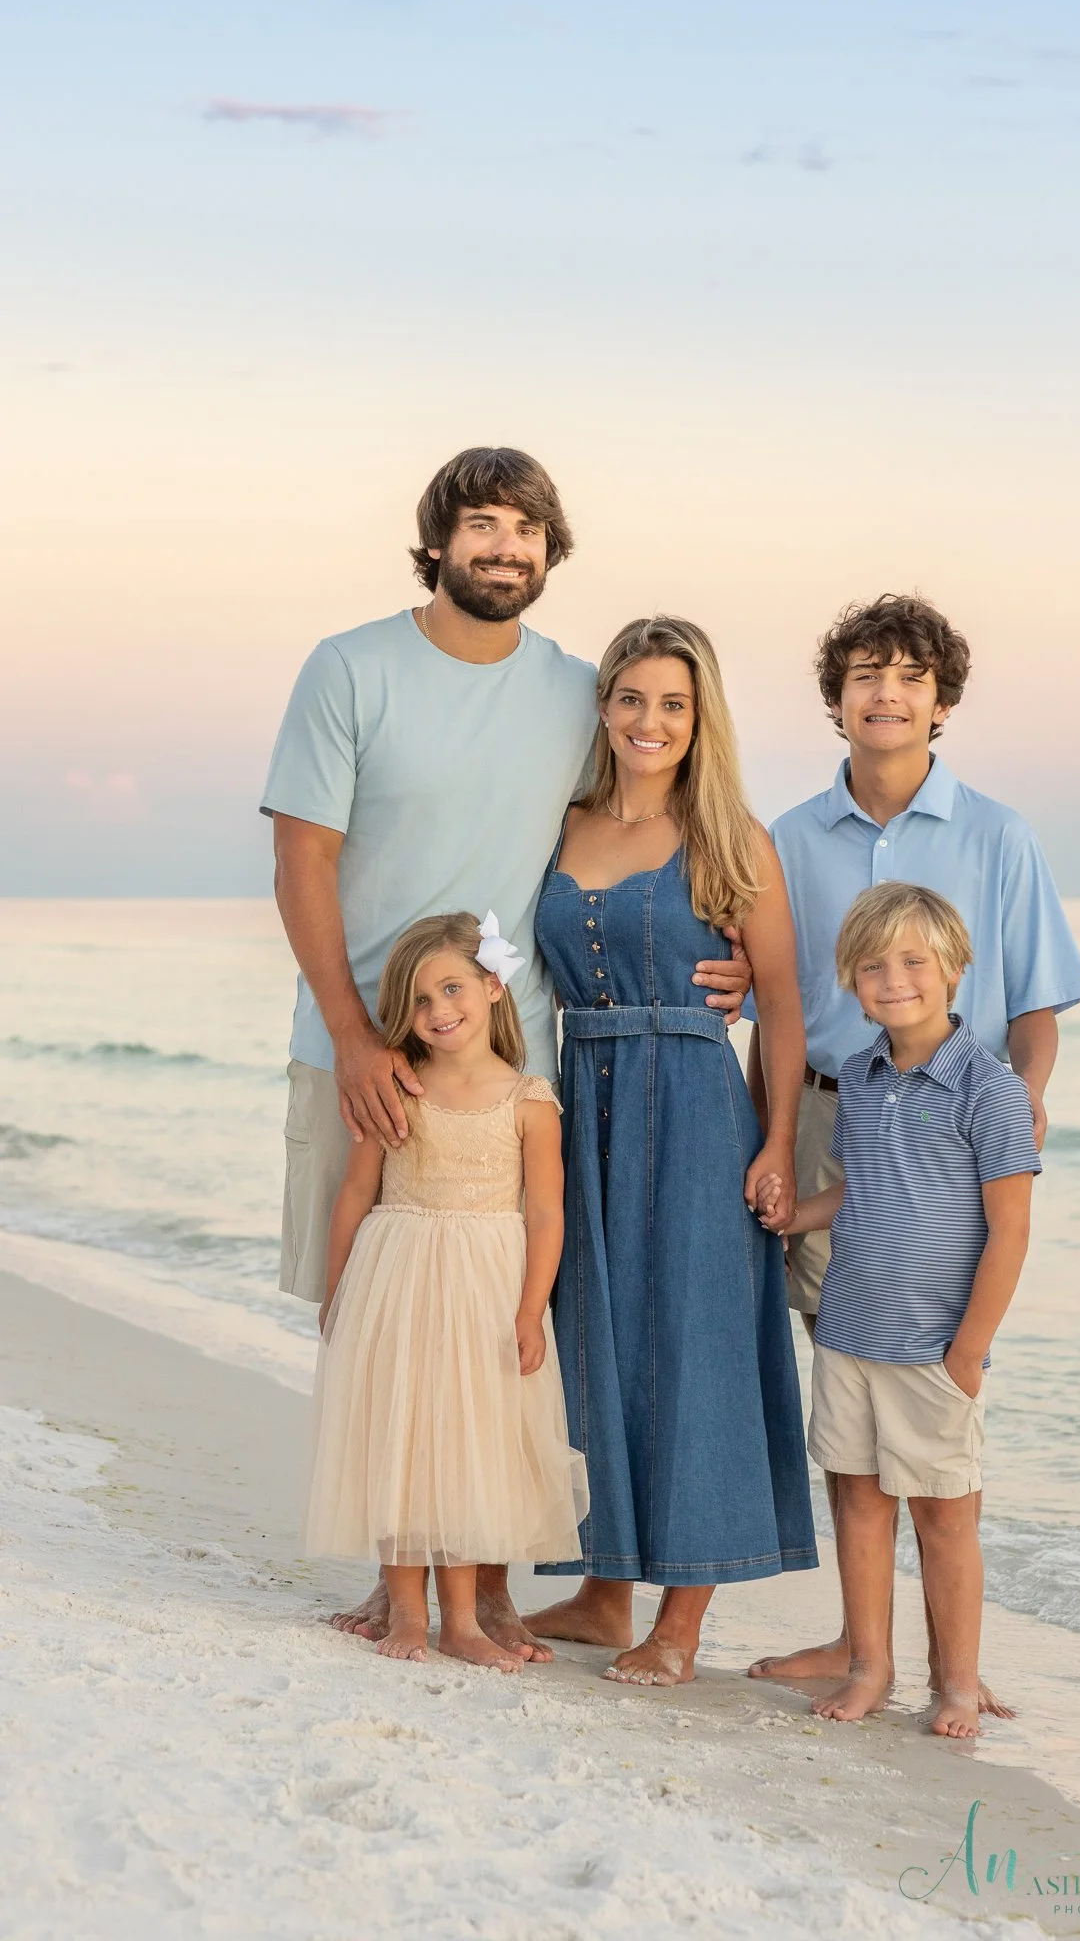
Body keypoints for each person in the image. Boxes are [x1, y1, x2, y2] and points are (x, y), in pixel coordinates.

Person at [262, 447, 751, 1654]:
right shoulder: (349, 667)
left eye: (525, 528)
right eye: (481, 523)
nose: (503, 547)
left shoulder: (578, 691)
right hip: (363, 1049)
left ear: (549, 548)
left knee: (491, 1327)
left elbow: (650, 809)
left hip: (512, 1065)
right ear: (437, 540)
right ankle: (396, 1571)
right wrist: (350, 1034)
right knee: (375, 1308)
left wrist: (728, 948)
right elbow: (302, 857)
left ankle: (476, 1585)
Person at [748, 593, 1080, 1697]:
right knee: (847, 1387)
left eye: (908, 675)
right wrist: (773, 1143)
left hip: (952, 1126)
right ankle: (864, 1646)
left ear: (941, 701)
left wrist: (1021, 1098)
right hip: (826, 1113)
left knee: (938, 1380)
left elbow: (1034, 1002)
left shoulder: (998, 833)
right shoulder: (786, 838)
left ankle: (953, 1662)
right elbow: (772, 1007)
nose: (885, 693)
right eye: (864, 674)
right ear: (836, 699)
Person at [521, 617, 817, 1687]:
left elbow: (782, 1007)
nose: (650, 721)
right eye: (632, 698)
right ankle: (603, 1592)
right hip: (580, 1101)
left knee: (698, 1343)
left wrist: (777, 1143)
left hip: (694, 1106)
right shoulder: (556, 823)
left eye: (673, 703)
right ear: (603, 706)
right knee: (591, 1336)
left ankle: (680, 1622)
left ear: (701, 718)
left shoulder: (732, 836)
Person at [757, 882, 1039, 1735]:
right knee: (857, 1504)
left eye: (914, 962)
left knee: (944, 1519)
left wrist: (970, 1350)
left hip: (932, 1347)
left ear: (953, 969)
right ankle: (869, 1666)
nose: (894, 980)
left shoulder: (990, 1091)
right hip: (848, 1332)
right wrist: (792, 1217)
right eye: (874, 966)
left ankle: (957, 1683)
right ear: (851, 979)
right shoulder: (859, 1075)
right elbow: (857, 1190)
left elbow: (1010, 1231)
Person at [303, 911, 588, 1669]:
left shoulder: (529, 1099)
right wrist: (337, 1293)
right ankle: (406, 1613)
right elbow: (355, 1193)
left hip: (486, 1290)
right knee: (400, 1439)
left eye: (452, 988)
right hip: (396, 1279)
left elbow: (547, 1213)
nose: (437, 1010)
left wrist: (531, 1310)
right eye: (421, 1000)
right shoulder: (399, 1089)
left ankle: (462, 1622)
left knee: (468, 1446)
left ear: (494, 986)